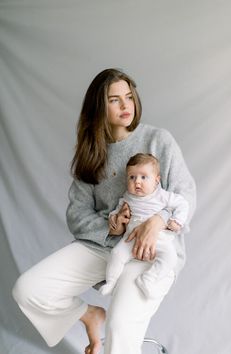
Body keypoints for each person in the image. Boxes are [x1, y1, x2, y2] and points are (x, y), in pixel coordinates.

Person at [12, 68, 196, 354]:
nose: (125, 106)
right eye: (114, 100)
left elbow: (186, 193)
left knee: (121, 327)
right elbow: (77, 214)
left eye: (128, 97)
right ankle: (90, 315)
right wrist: (112, 227)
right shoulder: (92, 153)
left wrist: (158, 221)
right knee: (29, 290)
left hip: (149, 249)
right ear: (99, 106)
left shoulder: (159, 140)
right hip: (104, 246)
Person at [99, 153, 189, 299]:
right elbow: (117, 210)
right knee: (116, 254)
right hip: (130, 238)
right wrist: (114, 218)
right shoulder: (127, 196)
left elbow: (183, 203)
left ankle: (149, 278)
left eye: (143, 177)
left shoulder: (163, 196)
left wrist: (177, 220)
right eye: (132, 177)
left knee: (170, 258)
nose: (137, 182)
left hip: (157, 238)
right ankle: (111, 281)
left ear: (156, 180)